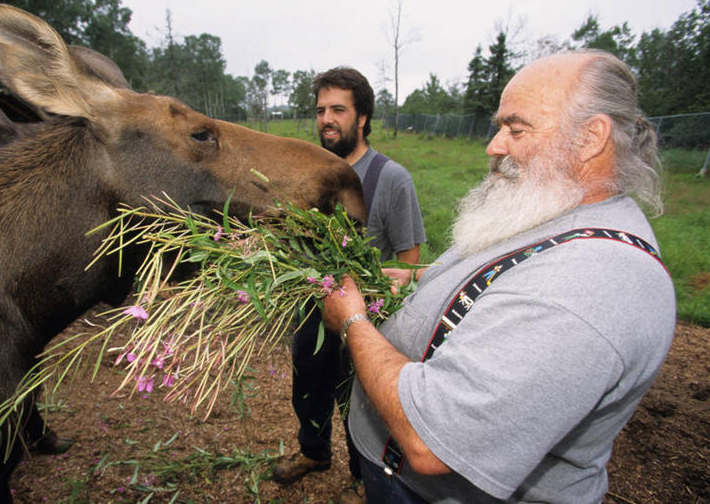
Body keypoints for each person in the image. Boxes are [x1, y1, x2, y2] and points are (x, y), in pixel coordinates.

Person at [321, 50, 676, 503]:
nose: (494, 145)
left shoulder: (589, 289)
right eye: (498, 127)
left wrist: (353, 322)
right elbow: (513, 272)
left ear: (591, 137)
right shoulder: (555, 206)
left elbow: (430, 441)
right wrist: (422, 280)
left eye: (516, 128)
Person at [272, 67, 426, 503]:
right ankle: (314, 452)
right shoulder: (309, 173)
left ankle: (364, 478)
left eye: (338, 109)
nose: (326, 119)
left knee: (361, 405)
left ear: (362, 118)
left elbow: (409, 261)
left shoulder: (391, 178)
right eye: (321, 110)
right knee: (309, 388)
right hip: (311, 309)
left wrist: (383, 315)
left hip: (365, 318)